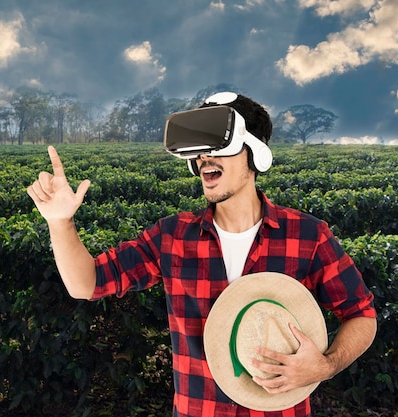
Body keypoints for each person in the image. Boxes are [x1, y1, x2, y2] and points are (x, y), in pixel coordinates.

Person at [26, 92, 377, 417]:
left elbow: (361, 315)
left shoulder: (307, 235)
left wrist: (326, 365)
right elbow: (86, 283)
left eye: (219, 147)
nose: (205, 157)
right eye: (200, 150)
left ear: (253, 153)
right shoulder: (171, 236)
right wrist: (60, 223)